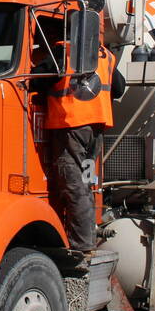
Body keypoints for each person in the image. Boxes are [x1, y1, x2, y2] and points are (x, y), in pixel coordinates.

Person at [43, 28, 117, 268]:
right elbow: (119, 87)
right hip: (96, 128)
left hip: (71, 124)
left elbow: (40, 76)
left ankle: (82, 246)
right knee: (86, 183)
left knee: (72, 184)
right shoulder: (106, 54)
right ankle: (87, 236)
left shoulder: (64, 49)